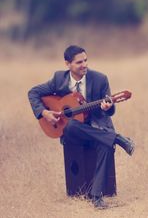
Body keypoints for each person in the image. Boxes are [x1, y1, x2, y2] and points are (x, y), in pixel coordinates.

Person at [28, 45, 134, 209]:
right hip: (72, 132)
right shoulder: (59, 79)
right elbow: (33, 92)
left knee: (105, 146)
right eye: (79, 62)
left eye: (85, 60)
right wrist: (44, 113)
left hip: (96, 129)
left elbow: (111, 109)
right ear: (67, 64)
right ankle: (117, 138)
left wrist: (107, 107)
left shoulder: (100, 79)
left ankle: (96, 196)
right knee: (71, 125)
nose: (84, 64)